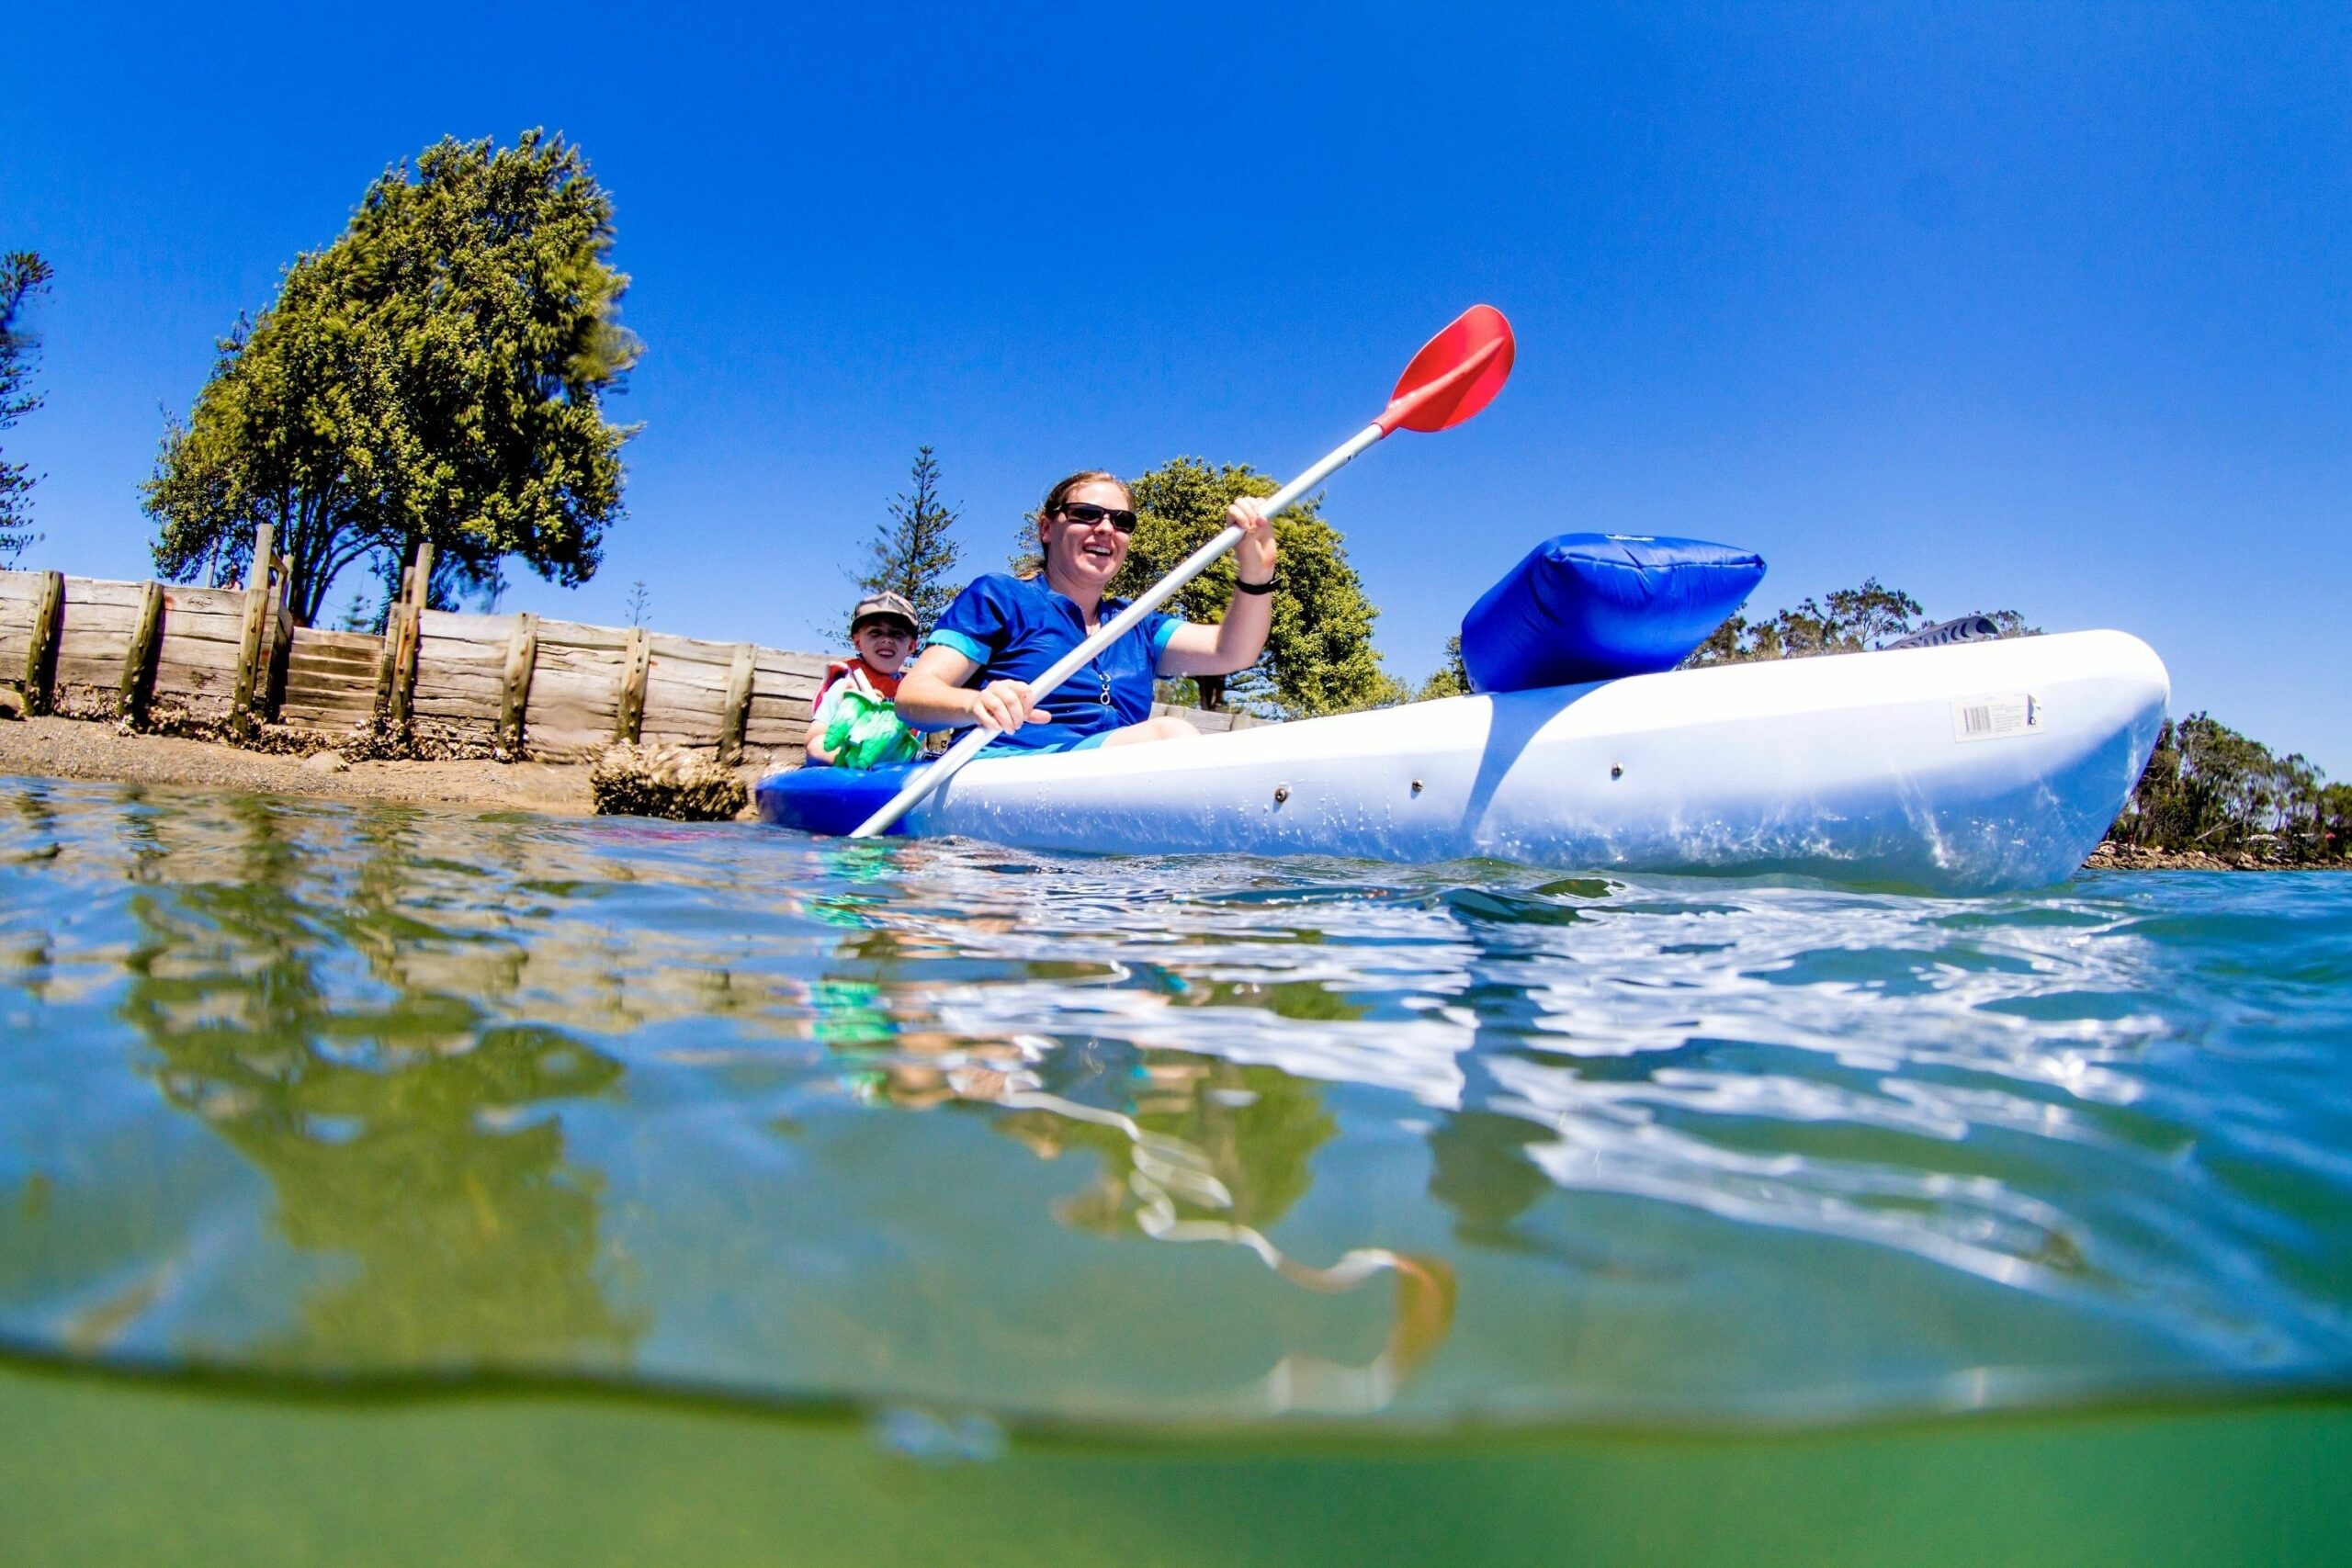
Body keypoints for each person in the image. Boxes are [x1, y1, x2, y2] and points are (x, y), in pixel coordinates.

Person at [893, 471, 1277, 751]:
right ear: (1047, 528)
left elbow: (1234, 651)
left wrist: (1257, 573)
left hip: (1103, 781)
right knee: (1170, 736)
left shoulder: (1135, 623)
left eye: (1121, 521)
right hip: (1006, 769)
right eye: (1086, 514)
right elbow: (913, 697)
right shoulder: (999, 597)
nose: (1106, 528)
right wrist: (974, 703)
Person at [804, 592, 922, 768]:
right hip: (842, 774)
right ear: (858, 641)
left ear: (912, 646)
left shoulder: (914, 694)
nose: (887, 640)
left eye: (897, 634)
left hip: (893, 776)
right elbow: (813, 740)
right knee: (817, 745)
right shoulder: (846, 685)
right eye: (875, 633)